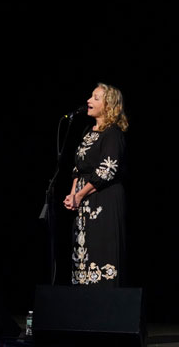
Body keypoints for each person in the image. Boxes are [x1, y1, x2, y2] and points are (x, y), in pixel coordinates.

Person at [63, 83, 129, 286]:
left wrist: (81, 194)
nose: (89, 101)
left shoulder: (113, 133)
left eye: (95, 98)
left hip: (104, 200)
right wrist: (73, 194)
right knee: (82, 253)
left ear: (108, 105)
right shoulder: (87, 131)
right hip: (83, 201)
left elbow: (106, 169)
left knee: (101, 252)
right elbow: (78, 167)